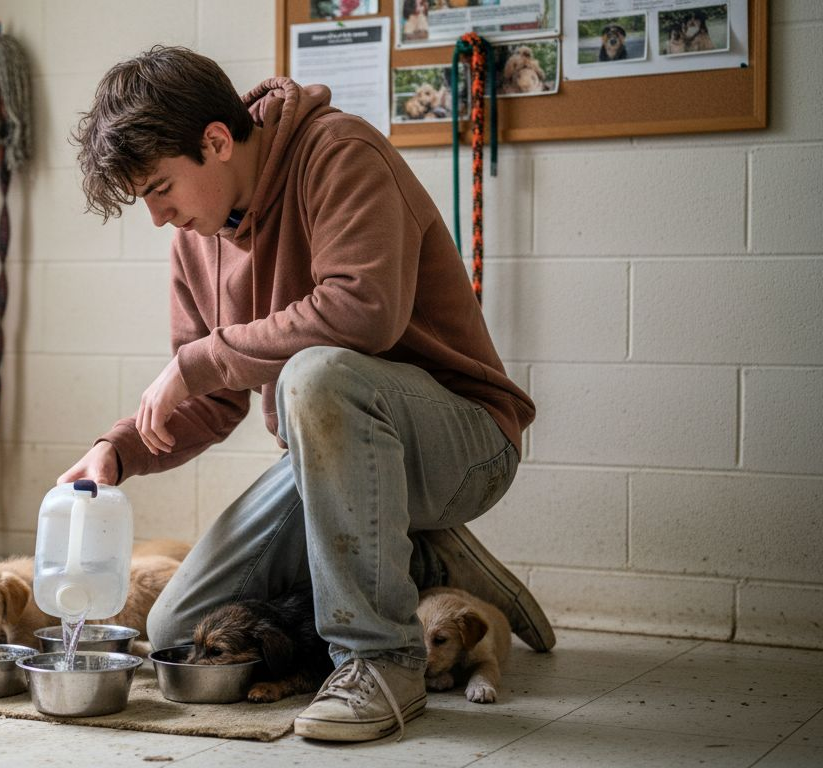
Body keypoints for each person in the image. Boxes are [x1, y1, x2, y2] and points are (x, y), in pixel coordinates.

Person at [57, 46, 552, 743]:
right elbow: (213, 395)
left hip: (465, 441)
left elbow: (363, 311)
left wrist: (203, 360)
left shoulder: (341, 153)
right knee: (181, 629)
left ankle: (381, 661)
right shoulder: (197, 240)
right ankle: (419, 560)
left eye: (162, 189)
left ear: (217, 141)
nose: (159, 217)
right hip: (336, 462)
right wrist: (118, 450)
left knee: (316, 373)